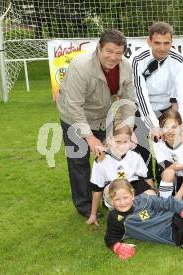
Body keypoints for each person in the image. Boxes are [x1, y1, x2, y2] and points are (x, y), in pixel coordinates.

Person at [57, 29, 136, 218]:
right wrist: (89, 137)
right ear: (99, 48)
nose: (113, 57)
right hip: (74, 116)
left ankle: (114, 197)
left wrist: (127, 128)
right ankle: (84, 206)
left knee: (110, 156)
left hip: (104, 116)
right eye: (109, 51)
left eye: (118, 53)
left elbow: (128, 100)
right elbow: (74, 105)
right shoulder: (80, 66)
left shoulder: (125, 67)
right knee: (79, 160)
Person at [130, 21, 183, 141]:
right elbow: (140, 95)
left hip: (166, 109)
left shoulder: (178, 60)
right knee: (143, 151)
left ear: (172, 42)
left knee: (170, 153)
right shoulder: (137, 60)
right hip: (143, 108)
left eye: (166, 43)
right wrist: (153, 125)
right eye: (157, 43)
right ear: (149, 41)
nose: (162, 48)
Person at [86, 125, 156, 226]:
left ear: (130, 142)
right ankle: (122, 216)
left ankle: (142, 217)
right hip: (113, 188)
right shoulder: (101, 160)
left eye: (125, 142)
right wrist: (93, 214)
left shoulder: (135, 156)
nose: (122, 146)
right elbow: (97, 189)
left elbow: (147, 177)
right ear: (109, 140)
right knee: (115, 192)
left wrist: (153, 195)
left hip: (133, 185)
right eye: (118, 142)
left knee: (150, 196)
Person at [153, 109, 183, 204]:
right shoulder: (158, 144)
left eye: (174, 127)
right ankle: (164, 203)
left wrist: (179, 194)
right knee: (169, 172)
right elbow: (169, 166)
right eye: (166, 127)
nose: (170, 131)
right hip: (169, 178)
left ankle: (178, 199)